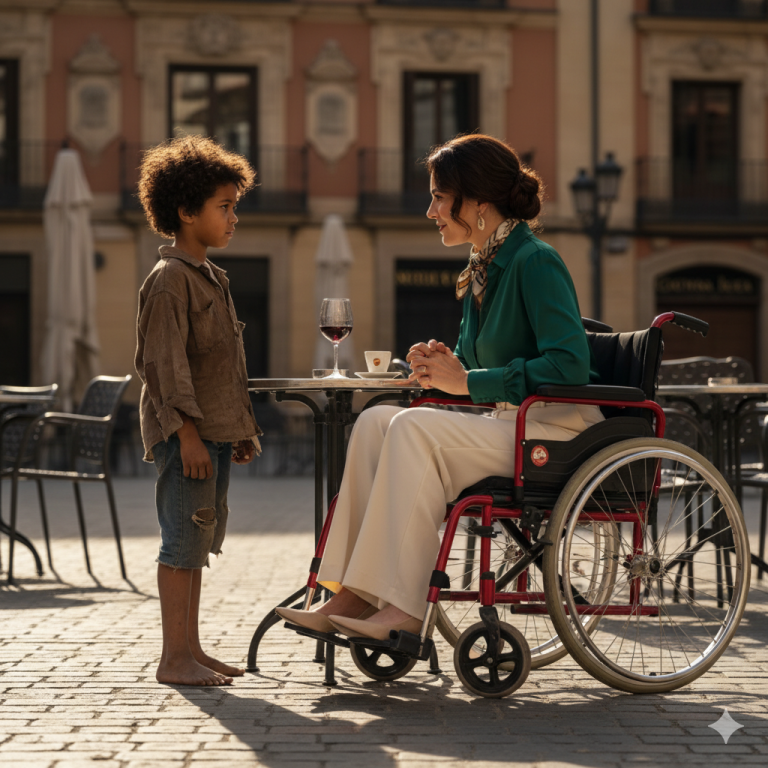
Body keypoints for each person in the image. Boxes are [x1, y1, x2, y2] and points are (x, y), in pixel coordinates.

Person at [277, 133, 602, 640]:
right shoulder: (484, 267)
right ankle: (353, 591)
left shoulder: (535, 260)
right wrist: (442, 366)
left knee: (411, 428)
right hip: (508, 424)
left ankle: (406, 608)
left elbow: (570, 365)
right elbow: (476, 368)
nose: (430, 211)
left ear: (477, 203)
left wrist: (466, 380)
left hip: (555, 431)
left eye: (438, 197)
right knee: (375, 421)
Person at [135, 135, 262, 686]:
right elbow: (164, 368)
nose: (234, 218)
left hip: (213, 434)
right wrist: (186, 435)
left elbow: (222, 367)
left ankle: (191, 648)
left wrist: (241, 429)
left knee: (199, 541)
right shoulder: (170, 282)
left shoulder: (210, 277)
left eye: (235, 206)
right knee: (182, 543)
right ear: (187, 211)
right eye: (224, 207)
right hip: (186, 436)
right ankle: (173, 659)